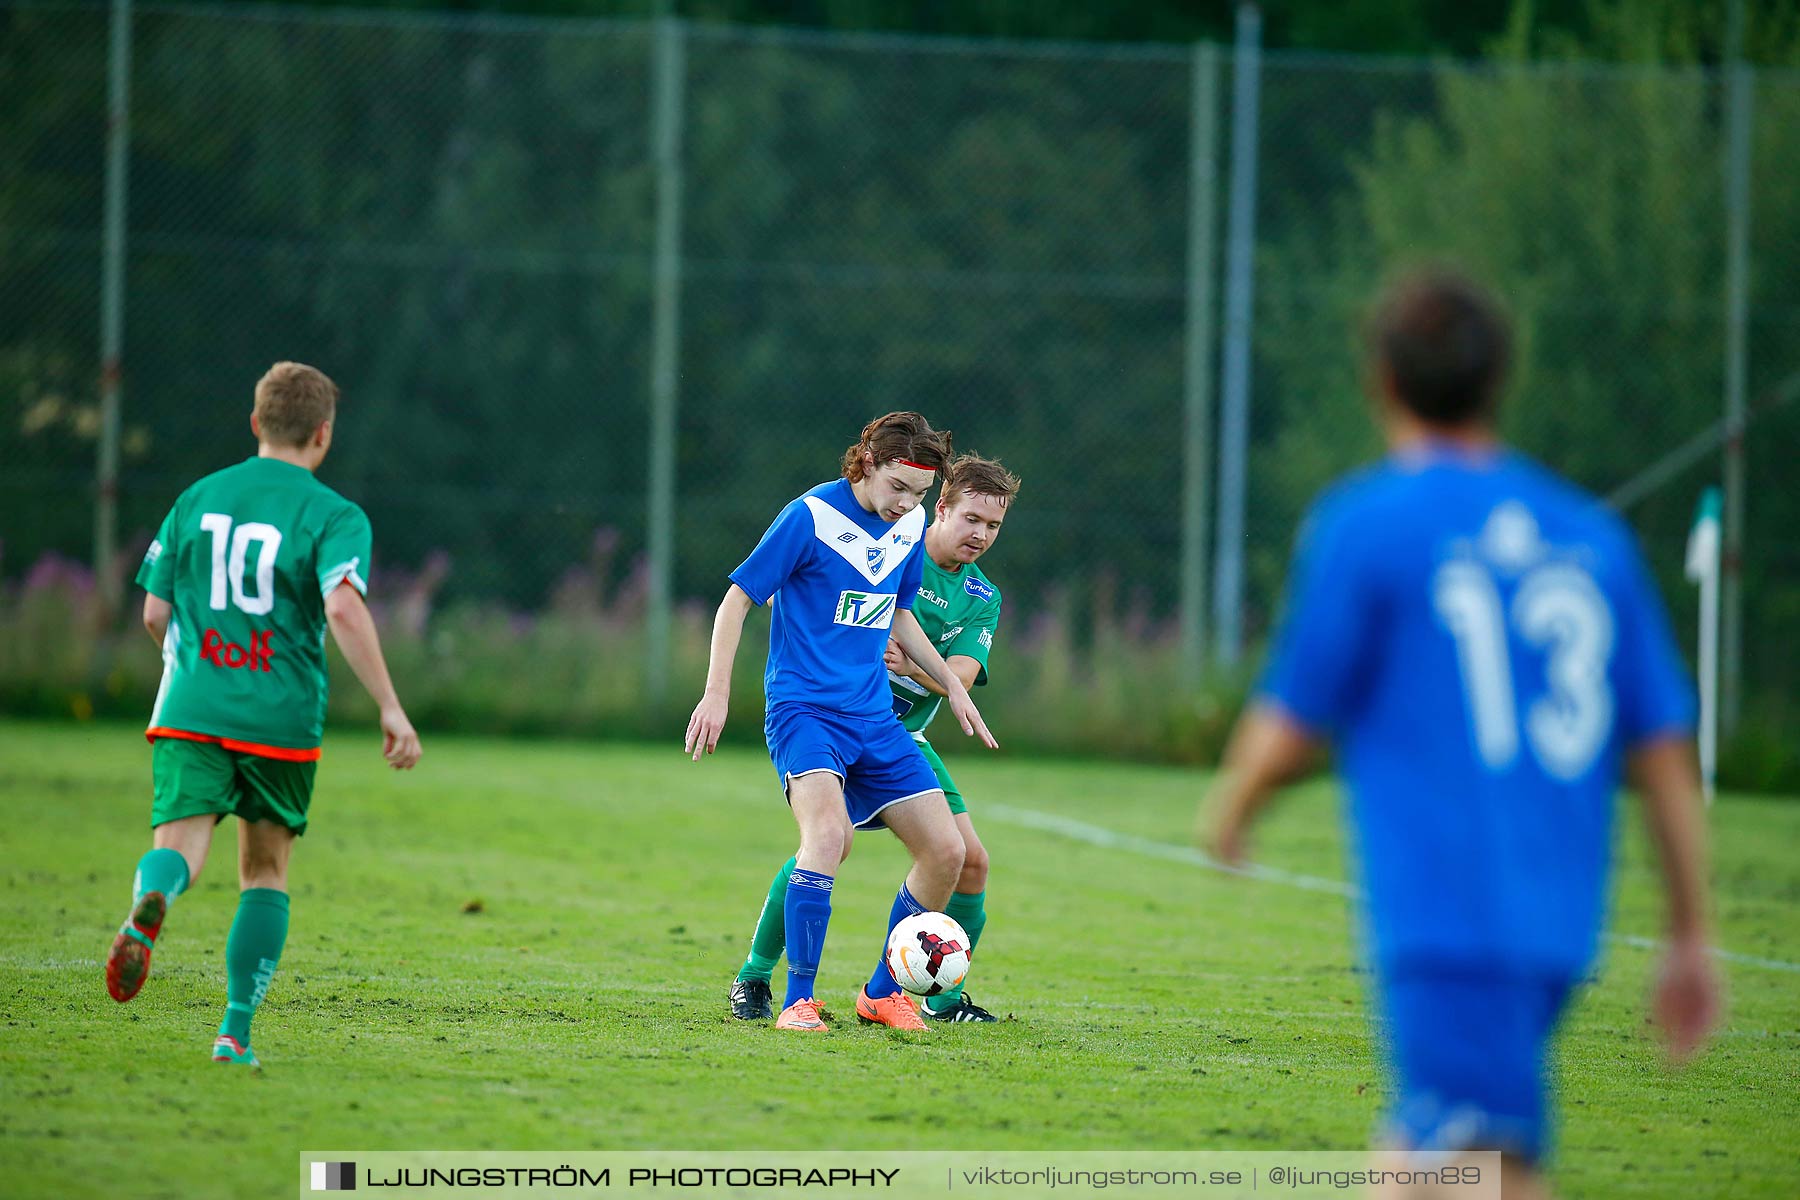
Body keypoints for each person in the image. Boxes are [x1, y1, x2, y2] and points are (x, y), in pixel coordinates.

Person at [1199, 271, 1720, 1199]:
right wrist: (1688, 932)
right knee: (1424, 1152)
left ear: (1382, 382)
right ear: (1500, 381)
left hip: (1449, 918)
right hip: (1560, 917)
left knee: (1490, 1173)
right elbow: (1666, 756)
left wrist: (1233, 805)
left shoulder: (1369, 523)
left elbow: (1292, 721)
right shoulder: (1588, 535)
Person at [106, 362, 422, 1068]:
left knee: (182, 845)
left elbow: (155, 612)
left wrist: (191, 668)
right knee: (265, 870)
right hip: (280, 717)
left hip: (192, 705)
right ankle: (234, 1031)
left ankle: (152, 899)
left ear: (255, 423)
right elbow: (341, 605)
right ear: (323, 434)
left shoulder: (196, 499)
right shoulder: (335, 515)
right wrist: (390, 706)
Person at [686, 413, 997, 1033]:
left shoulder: (906, 526)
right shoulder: (809, 518)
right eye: (898, 488)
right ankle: (797, 999)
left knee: (948, 851)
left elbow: (900, 614)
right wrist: (715, 691)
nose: (907, 505)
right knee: (829, 840)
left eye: (919, 495)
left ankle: (883, 993)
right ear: (867, 465)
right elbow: (736, 600)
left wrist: (954, 690)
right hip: (805, 713)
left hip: (875, 720)